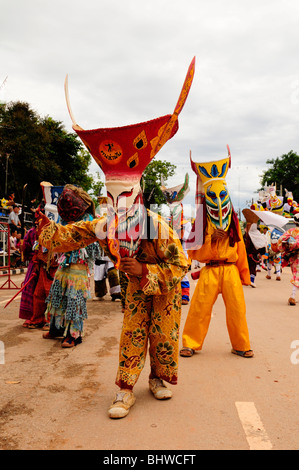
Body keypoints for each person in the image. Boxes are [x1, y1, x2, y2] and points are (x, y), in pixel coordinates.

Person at [38, 56, 194, 418]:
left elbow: (181, 264)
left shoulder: (158, 225)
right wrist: (49, 235)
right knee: (132, 333)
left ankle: (158, 378)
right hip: (136, 291)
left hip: (164, 289)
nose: (115, 206)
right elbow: (72, 234)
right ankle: (125, 390)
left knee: (164, 336)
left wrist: (144, 270)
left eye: (123, 198)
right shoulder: (106, 223)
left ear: (137, 195)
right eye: (109, 198)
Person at [180, 147, 254, 359]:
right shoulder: (201, 221)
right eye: (213, 195)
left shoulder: (233, 222)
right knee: (199, 308)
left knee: (237, 309)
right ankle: (191, 343)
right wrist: (211, 240)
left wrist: (244, 274)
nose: (219, 200)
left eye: (223, 195)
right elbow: (193, 250)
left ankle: (241, 344)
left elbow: (239, 248)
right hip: (210, 270)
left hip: (230, 270)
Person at [41, 184, 101, 347]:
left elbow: (92, 246)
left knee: (74, 300)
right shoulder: (63, 218)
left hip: (79, 266)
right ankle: (56, 329)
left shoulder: (89, 219)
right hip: (62, 265)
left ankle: (74, 335)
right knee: (57, 297)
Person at [273, 213, 299, 305]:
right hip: (295, 255)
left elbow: (280, 241)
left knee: (296, 275)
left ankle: (293, 296)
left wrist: (287, 247)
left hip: (294, 257)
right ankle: (292, 296)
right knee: (297, 277)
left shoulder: (291, 231)